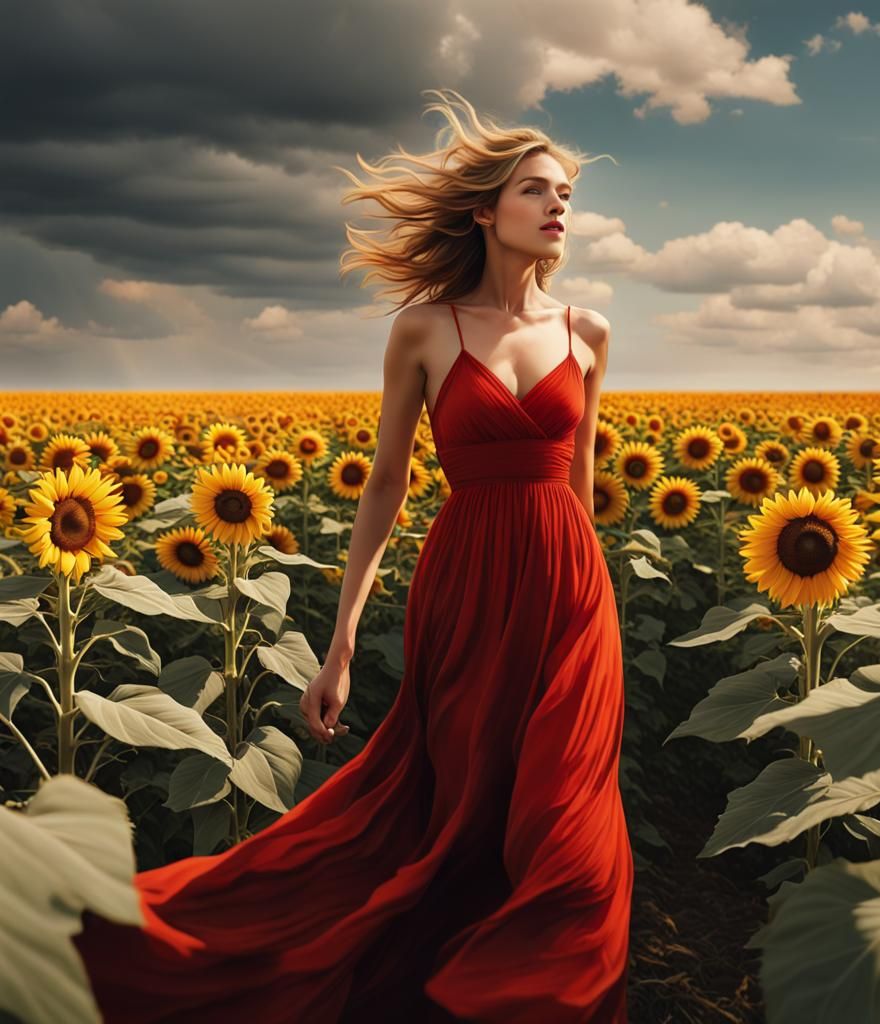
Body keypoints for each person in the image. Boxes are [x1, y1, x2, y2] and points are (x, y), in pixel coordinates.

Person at [72, 87, 632, 1023]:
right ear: (484, 211)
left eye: (565, 193)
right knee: (463, 799)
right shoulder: (425, 329)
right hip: (467, 588)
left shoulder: (590, 332)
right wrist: (338, 647)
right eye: (536, 190)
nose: (557, 206)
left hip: (571, 591)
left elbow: (578, 484)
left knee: (566, 812)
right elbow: (386, 486)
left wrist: (592, 604)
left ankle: (548, 997)